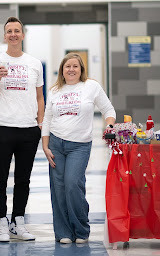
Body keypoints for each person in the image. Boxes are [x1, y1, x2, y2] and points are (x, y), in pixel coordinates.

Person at [41, 53, 116, 244]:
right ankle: (63, 232)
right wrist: (45, 145)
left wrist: (109, 125)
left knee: (73, 185)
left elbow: (108, 109)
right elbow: (47, 118)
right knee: (58, 189)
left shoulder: (91, 86)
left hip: (80, 146)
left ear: (81, 69)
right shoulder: (55, 90)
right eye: (68, 66)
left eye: (75, 66)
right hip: (56, 144)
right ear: (62, 70)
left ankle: (81, 229)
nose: (71, 70)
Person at [0, 17, 44, 242]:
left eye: (17, 31)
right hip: (2, 128)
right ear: (4, 35)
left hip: (28, 130)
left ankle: (18, 221)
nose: (13, 34)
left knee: (23, 179)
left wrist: (40, 124)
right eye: (9, 31)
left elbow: (39, 97)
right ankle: (1, 222)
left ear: (23, 35)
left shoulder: (34, 63)